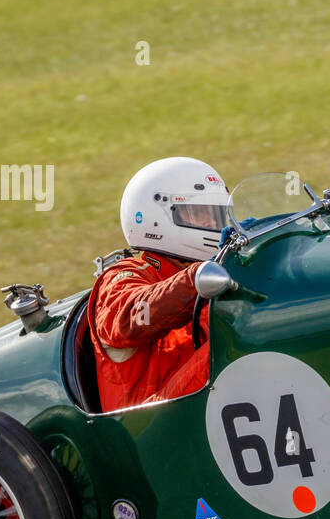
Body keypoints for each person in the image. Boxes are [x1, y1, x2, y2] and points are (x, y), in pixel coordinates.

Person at [89, 157, 231, 411]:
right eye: (200, 214)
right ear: (155, 219)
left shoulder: (216, 267)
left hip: (203, 406)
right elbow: (129, 317)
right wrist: (194, 280)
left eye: (218, 215)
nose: (214, 225)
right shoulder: (124, 274)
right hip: (149, 422)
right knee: (237, 345)